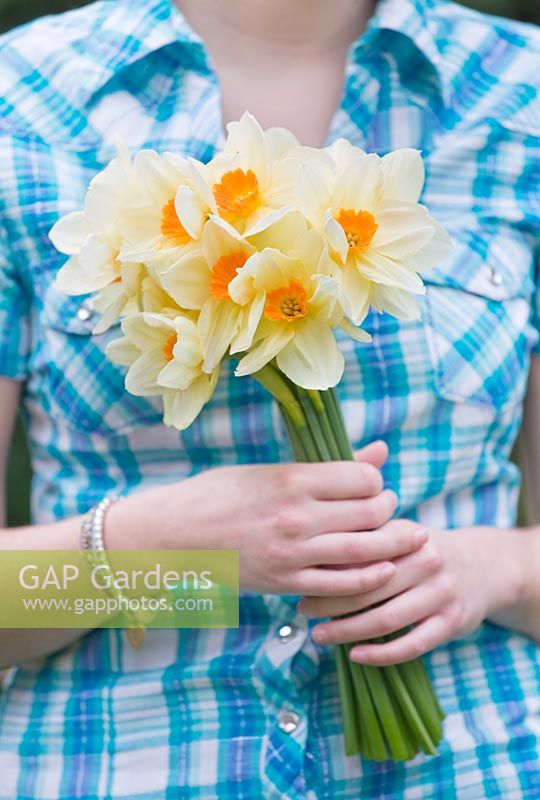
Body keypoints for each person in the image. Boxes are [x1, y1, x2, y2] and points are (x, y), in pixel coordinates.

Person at [0, 0, 539, 797]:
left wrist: (482, 573)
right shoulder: (22, 100)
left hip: (473, 768)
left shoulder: (520, 93)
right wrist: (155, 554)